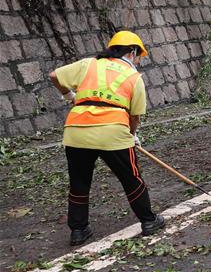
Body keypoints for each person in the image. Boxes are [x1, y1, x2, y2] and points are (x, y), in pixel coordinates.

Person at [49, 31, 165, 246]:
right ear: (132, 52)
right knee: (131, 179)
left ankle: (79, 231)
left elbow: (55, 76)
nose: (138, 61)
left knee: (79, 183)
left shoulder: (89, 64)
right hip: (113, 132)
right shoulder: (133, 77)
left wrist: (69, 96)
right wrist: (132, 135)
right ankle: (149, 221)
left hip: (77, 131)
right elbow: (135, 116)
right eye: (139, 56)